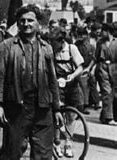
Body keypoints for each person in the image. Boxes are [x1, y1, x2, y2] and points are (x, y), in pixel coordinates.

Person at [0, 4, 64, 160]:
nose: (26, 24)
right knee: (12, 152)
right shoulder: (6, 46)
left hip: (42, 108)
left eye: (30, 20)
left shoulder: (47, 48)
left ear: (38, 23)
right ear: (17, 24)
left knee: (43, 154)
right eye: (22, 20)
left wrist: (57, 109)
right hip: (17, 107)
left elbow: (52, 80)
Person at [48, 27, 84, 158]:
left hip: (71, 84)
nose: (53, 45)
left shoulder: (71, 49)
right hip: (58, 84)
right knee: (57, 114)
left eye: (54, 42)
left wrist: (73, 76)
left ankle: (68, 142)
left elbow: (80, 67)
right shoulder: (52, 51)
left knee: (71, 115)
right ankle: (56, 142)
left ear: (61, 41)